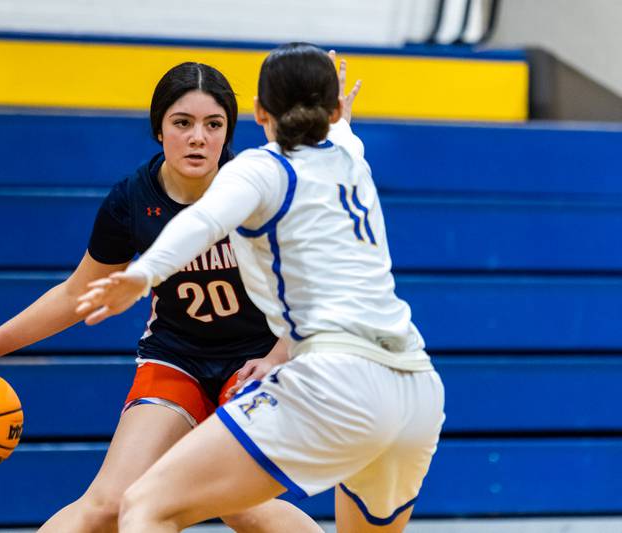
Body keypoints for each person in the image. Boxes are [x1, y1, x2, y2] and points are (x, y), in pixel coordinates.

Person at [0, 62, 323, 533]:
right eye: (182, 123)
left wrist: (278, 356)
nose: (198, 137)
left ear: (229, 131)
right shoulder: (132, 201)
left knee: (239, 503)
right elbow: (76, 294)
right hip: (178, 359)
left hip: (256, 360)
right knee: (110, 504)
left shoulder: (259, 187)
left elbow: (312, 291)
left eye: (213, 125)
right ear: (159, 130)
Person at [75, 44, 446, 533]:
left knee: (145, 506)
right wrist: (340, 119)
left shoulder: (260, 167)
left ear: (257, 112)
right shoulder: (350, 156)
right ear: (334, 110)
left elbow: (204, 221)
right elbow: (341, 135)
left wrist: (144, 275)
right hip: (417, 389)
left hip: (341, 378)